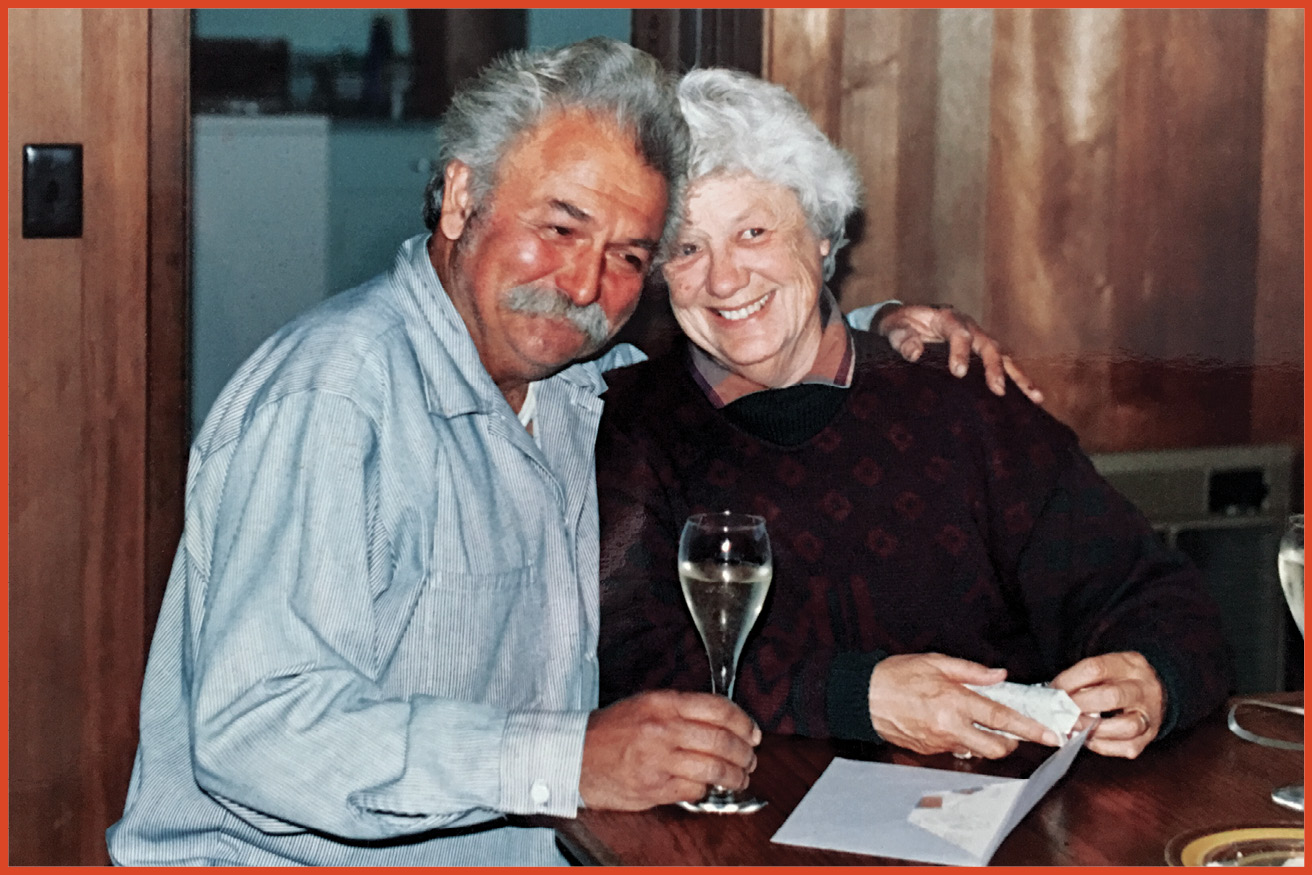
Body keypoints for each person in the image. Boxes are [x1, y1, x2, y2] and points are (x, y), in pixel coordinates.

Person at [107, 40, 1026, 866]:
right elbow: (258, 732)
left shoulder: (579, 386)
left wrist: (877, 330)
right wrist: (569, 759)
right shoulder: (337, 401)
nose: (586, 285)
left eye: (628, 255)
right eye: (559, 227)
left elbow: (735, 359)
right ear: (463, 198)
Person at [596, 67, 1230, 763]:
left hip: (993, 827)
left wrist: (1152, 678)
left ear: (822, 237)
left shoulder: (960, 399)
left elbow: (1155, 595)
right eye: (688, 248)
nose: (723, 278)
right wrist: (858, 697)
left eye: (753, 232)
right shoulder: (630, 429)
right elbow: (629, 661)